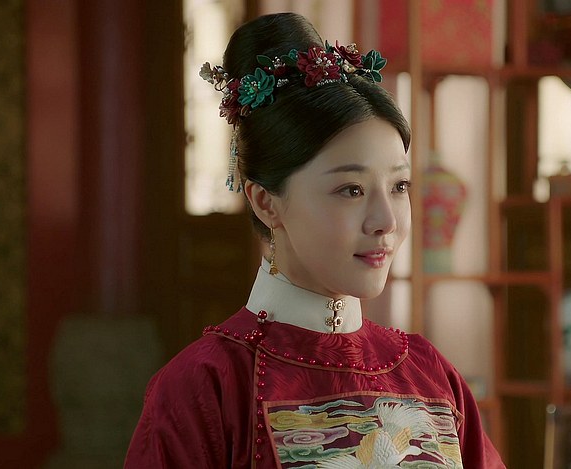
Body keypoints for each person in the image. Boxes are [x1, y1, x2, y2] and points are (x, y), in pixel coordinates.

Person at [125, 12, 505, 468]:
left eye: (399, 186)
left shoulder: (429, 374)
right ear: (266, 202)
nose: (386, 221)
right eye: (351, 190)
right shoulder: (207, 386)